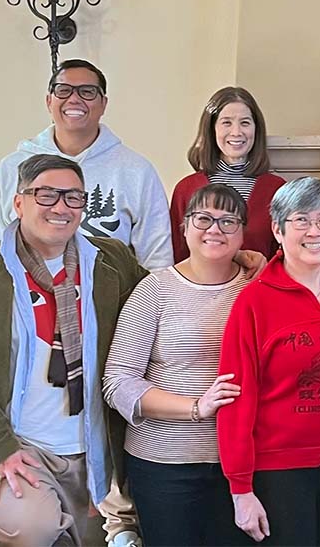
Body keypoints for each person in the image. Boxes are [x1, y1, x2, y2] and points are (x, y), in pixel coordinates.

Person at [0, 154, 147, 546]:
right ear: (19, 202)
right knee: (33, 530)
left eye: (74, 197)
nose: (61, 207)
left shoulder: (112, 262)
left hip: (95, 449)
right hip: (19, 448)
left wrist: (234, 264)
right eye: (46, 195)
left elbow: (165, 302)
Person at [218, 177, 320, 546]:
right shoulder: (254, 302)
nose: (315, 231)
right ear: (277, 228)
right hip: (280, 472)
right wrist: (240, 488)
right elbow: (235, 399)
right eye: (301, 220)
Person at [103, 184, 254, 546]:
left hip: (242, 464)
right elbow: (117, 381)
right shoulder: (154, 290)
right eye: (203, 218)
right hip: (163, 463)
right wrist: (194, 408)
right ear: (184, 227)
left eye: (228, 221)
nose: (214, 229)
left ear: (243, 233)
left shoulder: (257, 287)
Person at [0, 58, 173, 271]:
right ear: (49, 101)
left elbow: (157, 261)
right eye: (63, 90)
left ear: (103, 104)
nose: (74, 99)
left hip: (110, 301)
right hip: (24, 299)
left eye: (87, 92)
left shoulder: (137, 171)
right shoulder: (11, 168)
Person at [169, 86, 286, 261]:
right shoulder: (186, 189)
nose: (236, 132)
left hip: (258, 286)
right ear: (212, 128)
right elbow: (177, 254)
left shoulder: (277, 189)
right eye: (226, 122)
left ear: (256, 129)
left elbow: (285, 256)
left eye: (245, 122)